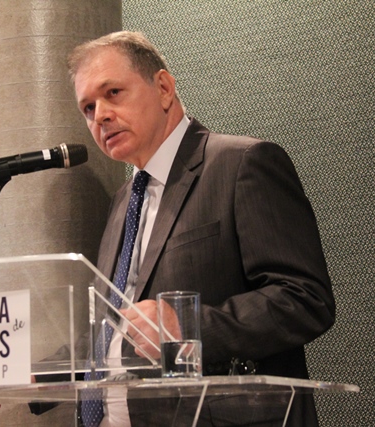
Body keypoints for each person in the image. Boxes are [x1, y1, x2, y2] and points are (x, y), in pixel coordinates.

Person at [67, 31, 336, 426]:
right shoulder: (124, 199)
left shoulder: (242, 164)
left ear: (163, 88)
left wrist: (189, 328)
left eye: (113, 93)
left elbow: (305, 299)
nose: (101, 115)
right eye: (88, 108)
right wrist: (22, 370)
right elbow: (114, 323)